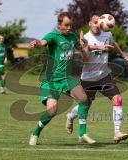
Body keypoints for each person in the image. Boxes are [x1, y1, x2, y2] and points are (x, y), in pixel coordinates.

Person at [29, 12, 96, 145]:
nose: (69, 28)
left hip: (67, 78)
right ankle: (35, 132)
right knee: (52, 111)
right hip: (52, 80)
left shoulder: (72, 37)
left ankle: (82, 133)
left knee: (84, 99)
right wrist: (36, 43)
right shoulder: (52, 36)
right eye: (66, 25)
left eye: (70, 25)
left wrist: (85, 46)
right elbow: (42, 42)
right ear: (59, 24)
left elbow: (85, 56)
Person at [66, 14, 128, 143]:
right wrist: (85, 47)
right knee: (85, 106)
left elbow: (114, 44)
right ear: (90, 23)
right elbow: (84, 60)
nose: (97, 25)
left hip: (104, 76)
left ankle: (117, 132)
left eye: (99, 22)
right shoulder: (86, 39)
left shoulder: (107, 35)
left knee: (117, 99)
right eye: (95, 22)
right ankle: (70, 116)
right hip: (88, 79)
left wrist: (123, 55)